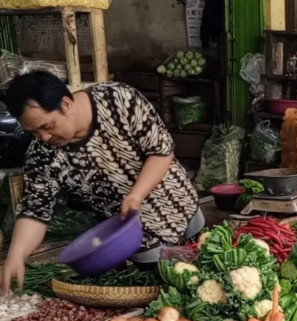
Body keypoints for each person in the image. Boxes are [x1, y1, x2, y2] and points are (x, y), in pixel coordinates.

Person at [0, 71, 203, 295]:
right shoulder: (43, 155)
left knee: (209, 274)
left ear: (66, 104)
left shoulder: (119, 100)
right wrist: (16, 254)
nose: (44, 137)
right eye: (34, 132)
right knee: (175, 292)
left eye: (47, 126)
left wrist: (136, 194)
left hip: (179, 206)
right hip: (135, 237)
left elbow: (161, 152)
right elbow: (35, 211)